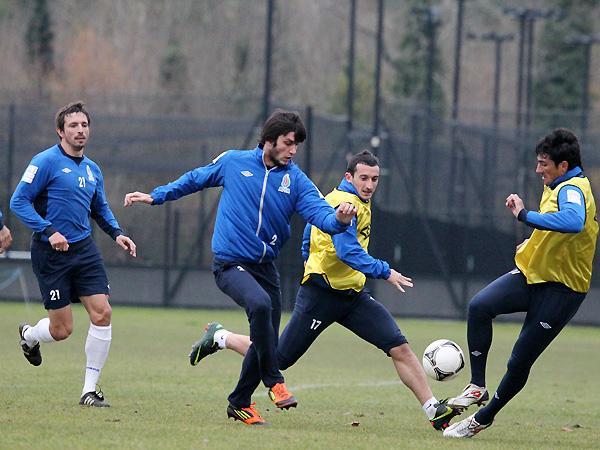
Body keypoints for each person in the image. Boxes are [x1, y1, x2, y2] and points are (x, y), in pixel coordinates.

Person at [188, 149, 461, 430]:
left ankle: (434, 410)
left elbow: (308, 235)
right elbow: (347, 252)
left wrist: (310, 257)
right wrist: (385, 271)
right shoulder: (343, 203)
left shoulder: (355, 201)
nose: (369, 185)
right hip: (321, 296)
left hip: (353, 297)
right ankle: (221, 337)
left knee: (398, 347)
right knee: (277, 358)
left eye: (374, 179)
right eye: (363, 178)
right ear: (349, 177)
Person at [124, 109, 357, 425]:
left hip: (265, 267)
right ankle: (274, 381)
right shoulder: (233, 162)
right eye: (288, 143)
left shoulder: (296, 180)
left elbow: (321, 215)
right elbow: (194, 179)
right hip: (229, 263)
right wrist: (156, 196)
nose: (293, 150)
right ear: (270, 139)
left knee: (266, 340)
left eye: (296, 145)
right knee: (259, 306)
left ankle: (239, 402)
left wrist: (340, 220)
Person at [443, 128, 598, 438]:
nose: (538, 169)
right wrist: (532, 244)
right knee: (479, 307)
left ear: (563, 165)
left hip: (562, 291)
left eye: (543, 163)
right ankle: (477, 386)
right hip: (531, 276)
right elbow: (557, 233)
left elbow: (573, 221)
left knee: (519, 360)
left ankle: (483, 418)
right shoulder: (557, 184)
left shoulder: (572, 189)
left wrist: (524, 215)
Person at [10, 101, 137, 408]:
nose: (80, 130)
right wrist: (49, 230)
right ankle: (30, 335)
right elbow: (18, 202)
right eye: (73, 126)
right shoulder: (45, 161)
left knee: (102, 313)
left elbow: (99, 207)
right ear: (60, 131)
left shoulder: (93, 169)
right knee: (62, 330)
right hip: (50, 253)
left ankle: (89, 391)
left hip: (84, 250)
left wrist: (117, 233)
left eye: (84, 125)